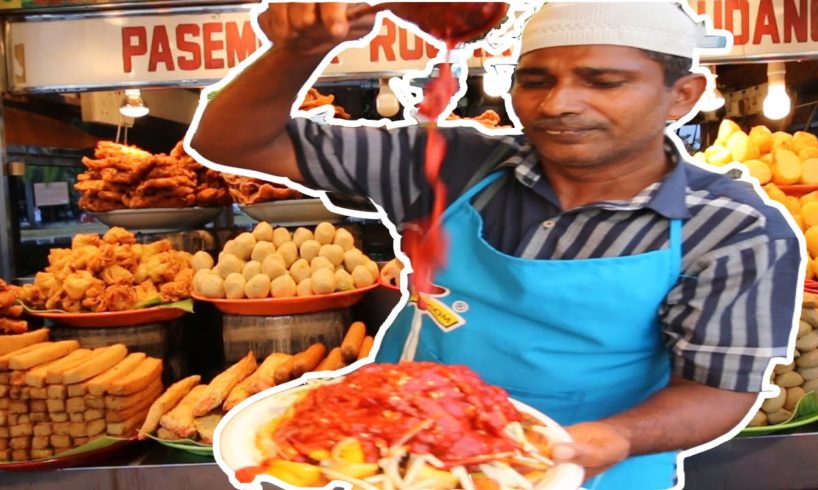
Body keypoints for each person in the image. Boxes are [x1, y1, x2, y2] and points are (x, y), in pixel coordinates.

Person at [189, 2, 802, 488]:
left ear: (683, 95)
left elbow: (718, 389)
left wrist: (611, 440)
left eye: (603, 81)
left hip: (588, 469)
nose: (559, 104)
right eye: (535, 80)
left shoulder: (731, 228)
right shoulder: (452, 163)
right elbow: (232, 143)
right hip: (388, 447)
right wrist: (298, 51)